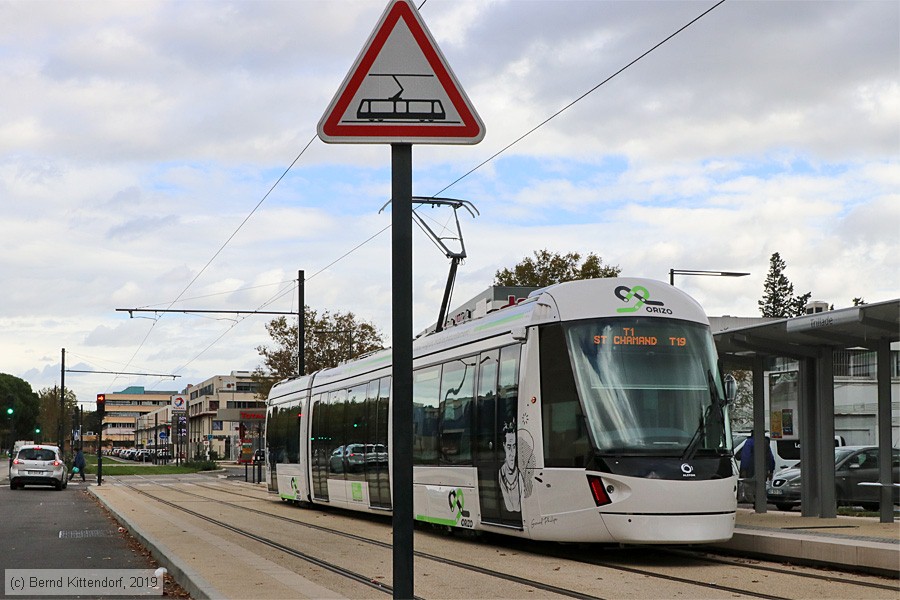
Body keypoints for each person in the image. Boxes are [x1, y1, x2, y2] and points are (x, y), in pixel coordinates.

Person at [739, 436, 775, 502]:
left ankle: (754, 501)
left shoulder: (749, 442)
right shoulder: (765, 442)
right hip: (763, 469)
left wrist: (743, 469)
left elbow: (745, 456)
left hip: (750, 469)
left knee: (749, 487)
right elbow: (770, 457)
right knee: (761, 486)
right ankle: (761, 501)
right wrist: (771, 470)